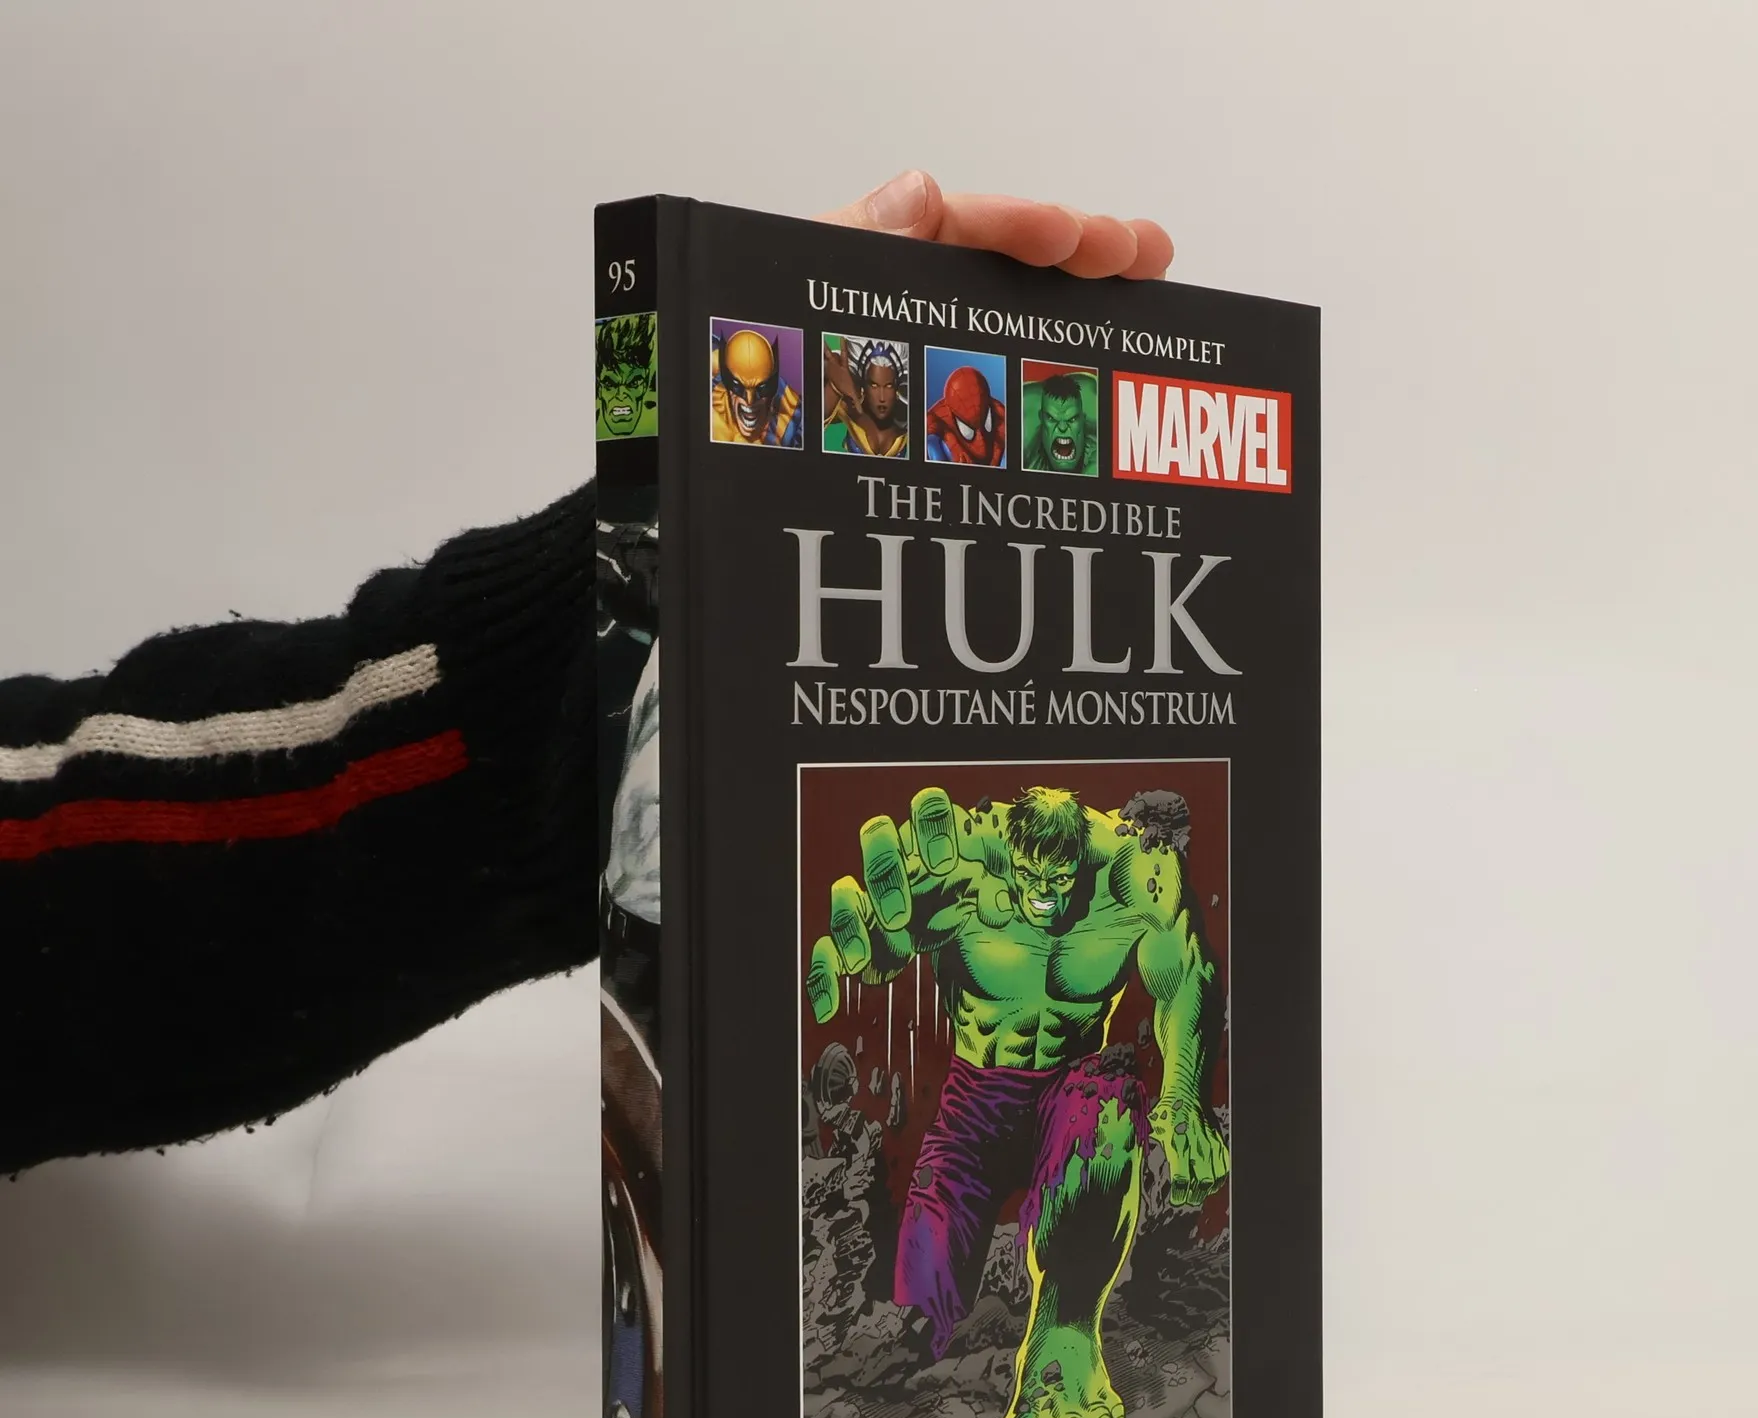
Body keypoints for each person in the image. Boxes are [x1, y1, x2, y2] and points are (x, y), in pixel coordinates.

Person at [0, 174, 1173, 1179]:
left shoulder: (1133, 888)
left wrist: (598, 640)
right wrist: (591, 662)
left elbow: (68, 865)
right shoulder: (958, 872)